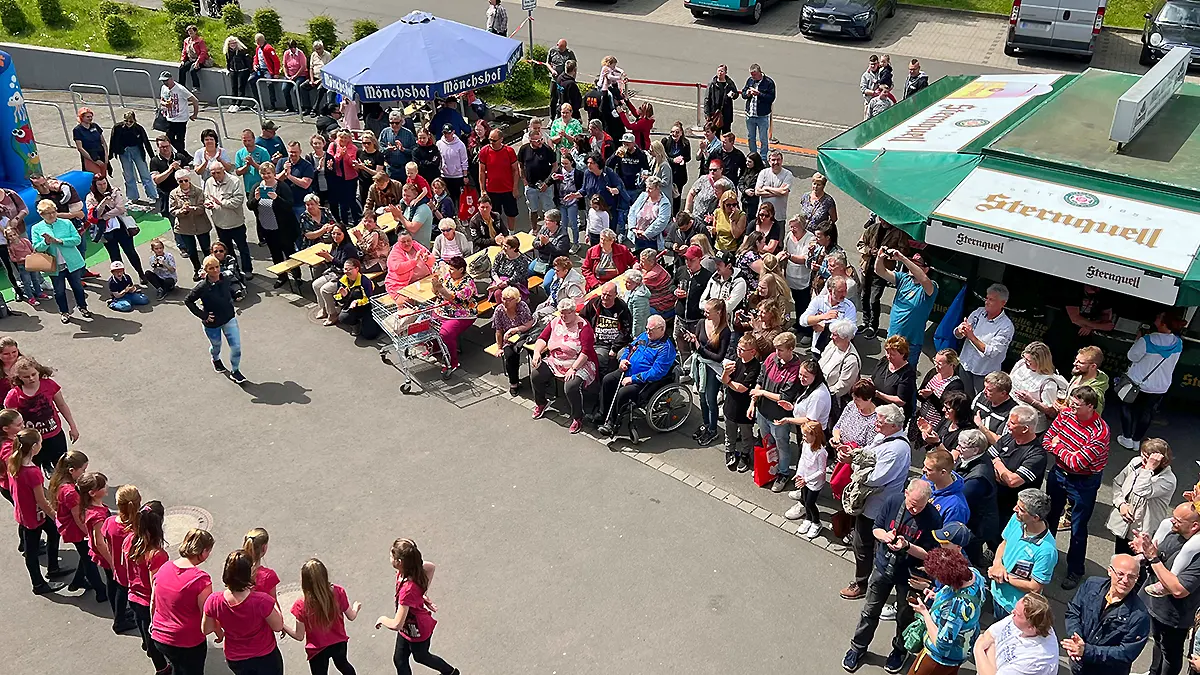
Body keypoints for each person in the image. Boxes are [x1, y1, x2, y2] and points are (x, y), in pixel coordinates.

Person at [842, 479, 943, 675]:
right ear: (905, 493)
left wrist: (907, 546)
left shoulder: (933, 518)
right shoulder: (893, 501)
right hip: (882, 567)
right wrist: (885, 536)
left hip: (910, 576)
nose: (914, 510)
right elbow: (876, 528)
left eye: (919, 507)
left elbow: (931, 554)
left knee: (904, 618)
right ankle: (857, 647)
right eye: (912, 504)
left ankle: (899, 651)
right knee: (869, 611)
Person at [838, 404, 913, 602]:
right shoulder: (884, 437)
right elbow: (868, 452)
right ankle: (870, 579)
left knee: (864, 544)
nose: (875, 424)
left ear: (893, 425)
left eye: (879, 421)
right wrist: (852, 454)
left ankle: (863, 584)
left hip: (878, 506)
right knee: (865, 543)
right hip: (871, 501)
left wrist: (851, 464)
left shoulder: (896, 449)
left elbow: (875, 478)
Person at [1044, 386, 1110, 590]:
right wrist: (1063, 450)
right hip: (1058, 473)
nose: (1070, 407)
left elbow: (1077, 463)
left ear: (1090, 406)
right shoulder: (1066, 415)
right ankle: (1046, 558)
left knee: (1078, 527)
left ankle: (1075, 570)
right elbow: (1047, 439)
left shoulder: (1100, 432)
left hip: (1083, 482)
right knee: (1049, 518)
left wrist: (1058, 446)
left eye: (1077, 405)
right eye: (1071, 403)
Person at [376, 538, 459, 675]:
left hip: (417, 628)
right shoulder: (410, 570)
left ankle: (451, 672)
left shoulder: (407, 591)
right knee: (399, 660)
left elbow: (397, 624)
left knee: (421, 657)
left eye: (392, 555)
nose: (389, 557)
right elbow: (430, 567)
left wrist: (382, 619)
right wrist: (422, 594)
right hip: (408, 626)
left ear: (399, 562)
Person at [203, 551, 294, 675]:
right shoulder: (262, 601)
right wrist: (274, 603)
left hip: (236, 658)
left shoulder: (213, 601)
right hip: (265, 655)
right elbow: (278, 626)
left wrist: (220, 626)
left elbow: (206, 629)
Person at [1061, 553, 1150, 675]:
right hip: (1078, 663)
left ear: (1137, 578)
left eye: (1131, 577)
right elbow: (1073, 612)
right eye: (1121, 574)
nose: (1125, 580)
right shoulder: (1092, 585)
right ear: (1109, 571)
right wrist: (1076, 638)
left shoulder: (1139, 615)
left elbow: (1125, 653)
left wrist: (1087, 651)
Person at [907, 545, 988, 675]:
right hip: (962, 649)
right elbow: (956, 592)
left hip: (938, 660)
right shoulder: (974, 574)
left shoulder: (955, 608)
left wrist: (924, 613)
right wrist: (938, 596)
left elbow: (942, 645)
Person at [9, 428, 71, 594]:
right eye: (40, 442)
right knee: (32, 551)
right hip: (33, 516)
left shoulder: (15, 463)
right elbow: (41, 501)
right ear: (34, 446)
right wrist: (56, 516)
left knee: (51, 535)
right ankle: (38, 584)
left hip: (24, 512)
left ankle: (53, 568)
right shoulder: (33, 472)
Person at [151, 529, 216, 675]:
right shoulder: (200, 580)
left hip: (160, 637)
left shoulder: (164, 568)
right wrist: (218, 631)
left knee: (176, 667)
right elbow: (207, 614)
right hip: (187, 642)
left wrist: (154, 625)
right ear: (203, 551)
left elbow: (153, 603)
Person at [530, 299, 599, 434]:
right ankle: (541, 403)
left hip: (580, 362)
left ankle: (577, 417)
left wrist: (573, 368)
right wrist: (537, 352)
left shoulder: (584, 327)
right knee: (536, 374)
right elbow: (542, 338)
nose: (563, 317)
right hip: (556, 360)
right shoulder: (555, 322)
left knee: (571, 386)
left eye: (566, 314)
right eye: (561, 314)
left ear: (573, 312)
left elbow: (586, 352)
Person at [1117, 311, 1184, 450]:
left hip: (1139, 383)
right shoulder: (1178, 343)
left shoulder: (1147, 340)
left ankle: (1127, 437)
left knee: (1126, 406)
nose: (1156, 319)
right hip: (1160, 386)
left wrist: (1138, 339)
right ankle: (1136, 441)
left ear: (1164, 323)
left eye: (1159, 318)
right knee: (1147, 412)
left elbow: (1132, 356)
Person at [989, 488, 1057, 619]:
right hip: (997, 593)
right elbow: (1004, 543)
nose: (1015, 509)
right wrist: (997, 564)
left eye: (1021, 509)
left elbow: (1035, 587)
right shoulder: (1017, 519)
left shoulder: (1046, 551)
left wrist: (1004, 577)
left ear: (1035, 518)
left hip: (1014, 608)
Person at [288, 559, 362, 675]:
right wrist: (356, 607)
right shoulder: (338, 592)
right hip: (339, 642)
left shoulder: (301, 604)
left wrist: (282, 626)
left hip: (317, 649)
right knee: (343, 664)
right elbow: (351, 616)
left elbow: (299, 635)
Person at [1107, 438, 1175, 557]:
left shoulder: (1168, 480)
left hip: (1142, 533)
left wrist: (1148, 468)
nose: (1142, 460)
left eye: (1148, 458)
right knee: (1119, 559)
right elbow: (1118, 483)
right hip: (1124, 526)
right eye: (1142, 455)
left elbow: (1141, 490)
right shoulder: (1136, 462)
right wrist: (1121, 504)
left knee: (1137, 568)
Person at [124, 500, 169, 673]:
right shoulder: (157, 554)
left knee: (142, 625)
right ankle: (162, 668)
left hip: (132, 594)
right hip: (147, 600)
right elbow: (156, 586)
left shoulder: (129, 540)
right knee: (153, 636)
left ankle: (147, 644)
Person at [31, 199, 92, 323]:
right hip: (54, 265)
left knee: (78, 287)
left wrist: (60, 241)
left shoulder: (66, 223)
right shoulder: (36, 228)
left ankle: (83, 307)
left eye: (53, 212)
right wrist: (46, 242)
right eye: (48, 213)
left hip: (72, 263)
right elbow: (37, 247)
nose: (52, 215)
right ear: (41, 215)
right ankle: (64, 312)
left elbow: (77, 240)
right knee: (59, 291)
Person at [186, 255, 244, 383]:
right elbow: (188, 301)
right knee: (216, 345)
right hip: (212, 324)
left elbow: (233, 286)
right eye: (211, 268)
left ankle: (235, 371)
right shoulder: (202, 287)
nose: (216, 270)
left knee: (236, 347)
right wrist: (203, 315)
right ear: (206, 270)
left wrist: (236, 293)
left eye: (217, 267)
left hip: (229, 318)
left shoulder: (226, 278)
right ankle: (215, 358)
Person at [989, 405, 1048, 525]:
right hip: (993, 502)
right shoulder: (1008, 438)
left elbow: (1013, 482)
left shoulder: (1036, 455)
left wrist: (997, 463)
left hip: (1014, 512)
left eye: (1012, 423)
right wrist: (1003, 475)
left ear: (1025, 429)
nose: (1007, 425)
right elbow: (986, 459)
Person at [974, 593, 1058, 675]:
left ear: (1031, 627)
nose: (1012, 612)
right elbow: (988, 635)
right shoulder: (1021, 617)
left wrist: (978, 649)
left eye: (1017, 614)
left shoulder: (1035, 661)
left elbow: (982, 642)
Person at [954, 285, 1015, 397]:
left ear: (1003, 303)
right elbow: (957, 334)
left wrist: (971, 336)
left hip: (984, 373)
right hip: (965, 364)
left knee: (979, 402)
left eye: (991, 300)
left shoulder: (1006, 326)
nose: (986, 302)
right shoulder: (978, 312)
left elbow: (992, 352)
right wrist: (960, 330)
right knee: (961, 397)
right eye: (987, 298)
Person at [878, 250, 937, 365]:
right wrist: (880, 258)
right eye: (911, 262)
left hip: (911, 343)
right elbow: (880, 271)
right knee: (888, 369)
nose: (911, 266)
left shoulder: (931, 286)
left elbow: (924, 280)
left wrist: (903, 259)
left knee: (905, 375)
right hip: (892, 337)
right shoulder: (903, 279)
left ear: (925, 269)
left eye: (916, 264)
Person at [87, 172, 147, 280]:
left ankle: (141, 274)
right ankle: (121, 279)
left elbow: (120, 209)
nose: (103, 186)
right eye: (99, 184)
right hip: (106, 231)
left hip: (122, 227)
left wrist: (105, 216)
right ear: (95, 185)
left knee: (131, 252)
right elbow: (94, 215)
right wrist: (103, 203)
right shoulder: (90, 197)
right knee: (115, 256)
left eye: (104, 183)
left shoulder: (115, 191)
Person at [252, 162, 303, 289]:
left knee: (289, 252)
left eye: (269, 173)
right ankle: (282, 276)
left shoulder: (282, 187)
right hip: (267, 227)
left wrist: (277, 198)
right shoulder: (257, 187)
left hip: (283, 228)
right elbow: (250, 206)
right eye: (263, 173)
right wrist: (256, 198)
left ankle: (297, 276)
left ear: (274, 174)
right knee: (275, 253)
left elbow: (289, 205)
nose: (266, 176)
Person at [688, 298, 731, 447]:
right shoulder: (701, 323)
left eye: (708, 311)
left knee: (710, 399)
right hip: (700, 364)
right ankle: (706, 424)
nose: (705, 314)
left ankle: (713, 430)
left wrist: (700, 348)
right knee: (701, 397)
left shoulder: (724, 330)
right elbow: (695, 347)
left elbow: (719, 357)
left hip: (712, 368)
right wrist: (692, 341)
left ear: (718, 312)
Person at [954, 429, 999, 567]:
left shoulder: (978, 477)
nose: (958, 449)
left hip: (977, 525)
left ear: (975, 450)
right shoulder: (971, 458)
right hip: (976, 519)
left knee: (969, 556)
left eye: (962, 447)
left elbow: (960, 500)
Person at [203, 160, 252, 276]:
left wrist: (221, 203)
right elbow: (206, 196)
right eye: (213, 173)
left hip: (236, 223)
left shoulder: (234, 181)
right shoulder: (209, 182)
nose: (215, 176)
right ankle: (234, 271)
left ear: (223, 170)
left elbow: (238, 201)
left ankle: (247, 270)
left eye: (218, 173)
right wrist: (208, 203)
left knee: (243, 248)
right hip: (220, 224)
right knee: (227, 251)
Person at [430, 256, 477, 378]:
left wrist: (440, 288)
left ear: (461, 269)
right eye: (449, 269)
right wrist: (435, 285)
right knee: (427, 323)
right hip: (441, 309)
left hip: (461, 313)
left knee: (446, 334)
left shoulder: (468, 283)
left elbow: (454, 298)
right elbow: (435, 292)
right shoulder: (448, 277)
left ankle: (452, 361)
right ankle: (435, 349)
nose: (449, 271)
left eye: (452, 269)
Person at [1008, 341, 1067, 435]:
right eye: (1025, 359)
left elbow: (1051, 412)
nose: (1026, 363)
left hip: (1030, 425)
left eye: (1029, 361)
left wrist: (1031, 401)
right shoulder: (1021, 364)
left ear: (1040, 362)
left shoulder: (1049, 383)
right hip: (1010, 413)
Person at [722, 334, 762, 473]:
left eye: (742, 350)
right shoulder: (735, 360)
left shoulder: (755, 367)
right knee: (730, 432)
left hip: (745, 409)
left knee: (746, 435)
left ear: (752, 352)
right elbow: (724, 379)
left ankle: (745, 455)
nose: (738, 352)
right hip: (730, 406)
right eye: (738, 348)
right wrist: (726, 376)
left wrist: (727, 381)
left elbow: (741, 389)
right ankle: (730, 451)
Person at [785, 421, 828, 538]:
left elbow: (821, 471)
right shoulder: (805, 444)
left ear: (815, 435)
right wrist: (799, 473)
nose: (803, 437)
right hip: (804, 479)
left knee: (810, 503)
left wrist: (806, 479)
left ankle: (816, 523)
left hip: (814, 483)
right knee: (804, 498)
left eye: (805, 435)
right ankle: (808, 519)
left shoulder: (821, 452)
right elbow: (802, 460)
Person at [312, 224, 361, 325]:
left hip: (345, 276)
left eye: (338, 234)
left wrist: (329, 257)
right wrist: (326, 258)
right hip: (333, 273)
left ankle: (332, 314)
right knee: (315, 285)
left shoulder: (348, 248)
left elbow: (344, 265)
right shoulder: (335, 245)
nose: (335, 236)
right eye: (333, 233)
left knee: (325, 290)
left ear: (344, 234)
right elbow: (332, 262)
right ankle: (324, 308)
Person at [492, 286, 535, 395]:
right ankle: (514, 383)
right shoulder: (499, 310)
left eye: (509, 299)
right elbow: (498, 330)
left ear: (516, 299)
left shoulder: (522, 306)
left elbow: (529, 324)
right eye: (504, 299)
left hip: (525, 334)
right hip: (509, 339)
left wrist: (514, 329)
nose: (505, 302)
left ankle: (542, 378)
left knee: (535, 351)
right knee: (510, 356)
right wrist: (499, 348)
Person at [108, 111, 157, 203]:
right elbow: (113, 140)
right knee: (128, 175)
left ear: (134, 121)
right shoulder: (118, 127)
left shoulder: (139, 129)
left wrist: (152, 157)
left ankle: (152, 195)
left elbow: (146, 142)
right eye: (126, 121)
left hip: (137, 150)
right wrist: (110, 156)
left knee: (144, 174)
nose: (128, 123)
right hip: (123, 152)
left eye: (130, 121)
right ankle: (132, 197)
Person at [478, 129, 519, 232]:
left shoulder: (509, 151)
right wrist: (483, 190)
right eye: (490, 140)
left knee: (511, 213)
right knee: (494, 215)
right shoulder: (484, 151)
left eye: (494, 140)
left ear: (501, 139)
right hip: (492, 190)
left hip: (508, 189)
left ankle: (511, 232)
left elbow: (515, 170)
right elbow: (482, 172)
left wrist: (515, 188)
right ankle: (497, 233)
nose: (491, 142)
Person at [872, 335, 916, 418]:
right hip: (875, 409)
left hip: (892, 415)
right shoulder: (883, 361)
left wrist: (879, 395)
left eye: (892, 354)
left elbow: (901, 401)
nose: (888, 356)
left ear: (902, 354)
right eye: (887, 352)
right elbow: (873, 378)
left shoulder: (908, 374)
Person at [971, 371, 1017, 447]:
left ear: (1003, 393)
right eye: (984, 387)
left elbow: (1000, 442)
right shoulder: (982, 396)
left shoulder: (1012, 412)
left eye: (989, 390)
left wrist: (981, 426)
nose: (984, 391)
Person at [628, 176, 672, 253]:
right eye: (647, 187)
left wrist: (646, 234)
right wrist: (633, 228)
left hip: (652, 241)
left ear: (658, 188)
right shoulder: (643, 196)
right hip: (637, 237)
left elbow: (661, 222)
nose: (647, 190)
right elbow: (632, 211)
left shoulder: (665, 203)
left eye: (650, 188)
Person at [158, 71, 198, 153]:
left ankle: (183, 156)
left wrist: (194, 114)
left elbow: (195, 100)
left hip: (181, 119)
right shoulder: (164, 88)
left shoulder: (180, 89)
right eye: (163, 81)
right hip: (170, 118)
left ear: (171, 79)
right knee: (169, 139)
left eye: (166, 80)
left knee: (180, 140)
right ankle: (184, 155)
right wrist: (165, 104)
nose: (165, 83)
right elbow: (161, 101)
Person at [741, 64, 776, 157]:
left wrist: (759, 94)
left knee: (763, 138)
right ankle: (753, 155)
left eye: (754, 75)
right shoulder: (750, 81)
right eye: (751, 75)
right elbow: (743, 93)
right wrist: (747, 93)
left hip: (762, 116)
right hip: (750, 115)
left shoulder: (768, 83)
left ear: (760, 72)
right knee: (751, 137)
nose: (752, 77)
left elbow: (771, 98)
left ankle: (763, 156)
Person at [248, 33, 281, 110]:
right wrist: (255, 65)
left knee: (269, 83)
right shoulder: (258, 48)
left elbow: (276, 61)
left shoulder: (269, 48)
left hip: (267, 70)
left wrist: (276, 73)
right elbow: (255, 58)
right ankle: (257, 102)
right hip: (260, 69)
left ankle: (273, 104)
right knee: (251, 80)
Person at [704, 64, 738, 135]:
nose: (720, 73)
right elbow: (707, 99)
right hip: (715, 114)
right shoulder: (712, 84)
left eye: (722, 71)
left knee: (727, 135)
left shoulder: (729, 83)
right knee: (715, 134)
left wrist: (733, 95)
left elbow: (736, 95)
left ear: (725, 73)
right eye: (719, 71)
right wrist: (707, 114)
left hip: (726, 114)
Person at [73, 107, 108, 174]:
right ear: (82, 117)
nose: (90, 118)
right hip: (89, 158)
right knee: (95, 177)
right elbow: (80, 148)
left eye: (91, 116)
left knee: (103, 176)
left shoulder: (95, 126)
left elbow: (103, 142)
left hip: (101, 154)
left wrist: (106, 155)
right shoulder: (77, 130)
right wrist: (94, 160)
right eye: (88, 117)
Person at [279, 40, 307, 112]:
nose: (292, 49)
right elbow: (284, 65)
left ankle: (300, 107)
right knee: (284, 89)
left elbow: (303, 67)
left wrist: (295, 76)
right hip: (289, 75)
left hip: (300, 75)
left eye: (294, 47)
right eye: (291, 47)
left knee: (296, 89)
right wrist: (286, 75)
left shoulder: (300, 54)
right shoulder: (286, 53)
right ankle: (290, 106)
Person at [224, 36, 252, 107]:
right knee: (234, 87)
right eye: (231, 43)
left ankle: (238, 104)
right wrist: (229, 69)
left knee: (241, 87)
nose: (233, 45)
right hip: (233, 71)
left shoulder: (242, 51)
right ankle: (233, 103)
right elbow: (228, 62)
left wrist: (250, 70)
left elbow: (248, 62)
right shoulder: (228, 52)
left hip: (243, 71)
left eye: (234, 43)